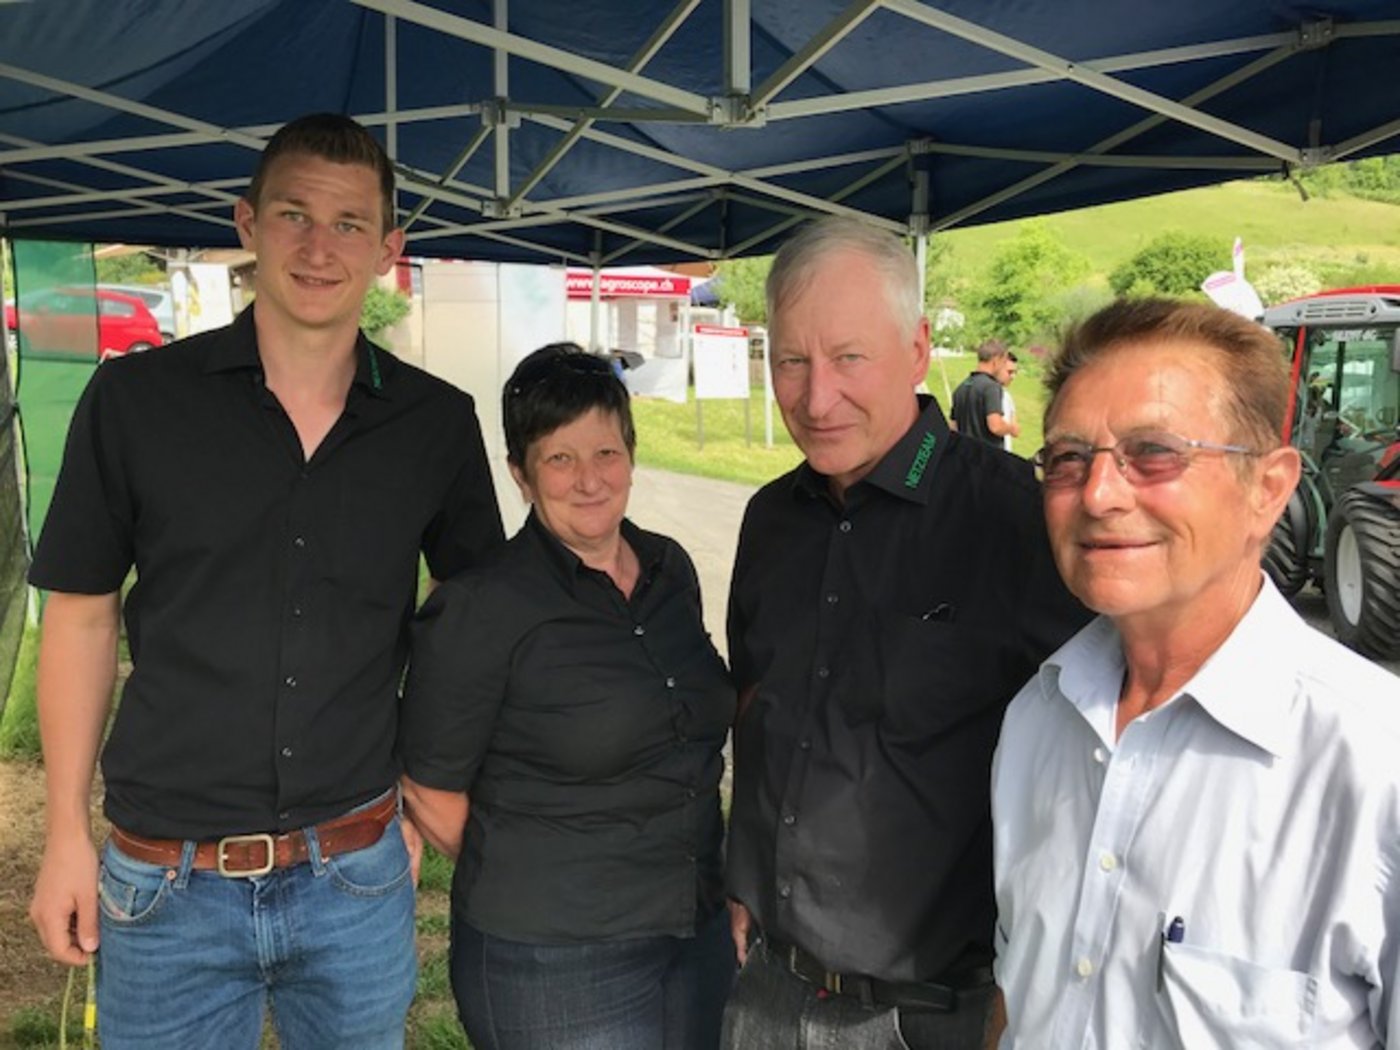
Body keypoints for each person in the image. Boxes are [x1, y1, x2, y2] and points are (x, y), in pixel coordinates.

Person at [26, 113, 504, 1050]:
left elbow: (470, 625)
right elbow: (79, 619)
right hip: (165, 883)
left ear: (389, 248)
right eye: (293, 214)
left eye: (349, 224)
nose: (319, 248)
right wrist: (65, 836)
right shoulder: (134, 403)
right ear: (245, 223)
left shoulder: (435, 425)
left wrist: (423, 788)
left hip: (355, 876)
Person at [992, 298, 1400, 1047]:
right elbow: (1019, 992)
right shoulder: (1036, 719)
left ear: (1269, 489)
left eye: (1154, 453)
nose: (1098, 494)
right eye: (1068, 459)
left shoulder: (1375, 766)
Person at [722, 217, 1088, 1050]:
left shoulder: (1020, 521)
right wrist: (745, 873)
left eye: (850, 358)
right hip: (767, 990)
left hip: (931, 1013)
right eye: (791, 361)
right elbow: (762, 708)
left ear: (919, 350)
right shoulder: (769, 519)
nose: (816, 399)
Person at [399, 343, 737, 1050]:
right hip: (554, 960)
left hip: (693, 933)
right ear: (521, 475)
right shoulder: (481, 607)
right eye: (560, 458)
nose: (589, 480)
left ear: (632, 456)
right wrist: (542, 866)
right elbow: (430, 790)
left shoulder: (669, 569)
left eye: (606, 453)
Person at [950, 339, 1020, 448]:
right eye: (1003, 362)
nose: (1003, 367)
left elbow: (953, 427)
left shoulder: (961, 388)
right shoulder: (991, 387)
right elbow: (995, 426)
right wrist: (1011, 428)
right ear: (996, 361)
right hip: (987, 458)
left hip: (966, 456)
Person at [1000, 351, 1019, 453]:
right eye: (1009, 372)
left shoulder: (1007, 397)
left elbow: (1016, 430)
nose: (1013, 377)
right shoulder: (988, 393)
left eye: (1015, 372)